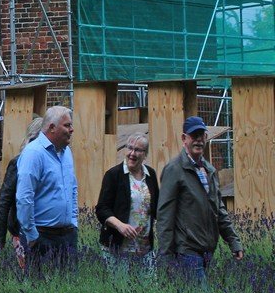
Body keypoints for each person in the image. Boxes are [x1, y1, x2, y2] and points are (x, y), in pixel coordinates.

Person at [157, 116, 243, 282]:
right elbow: (164, 216)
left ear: (206, 137)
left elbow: (219, 210)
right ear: (184, 138)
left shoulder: (209, 170)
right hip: (187, 251)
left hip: (208, 252)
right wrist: (165, 258)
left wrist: (234, 241)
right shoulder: (174, 169)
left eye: (201, 135)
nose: (198, 140)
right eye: (193, 135)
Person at [16, 106, 78, 265]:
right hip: (42, 236)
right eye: (67, 125)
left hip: (67, 236)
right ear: (52, 128)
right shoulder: (33, 154)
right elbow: (24, 197)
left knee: (69, 280)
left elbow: (72, 189)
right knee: (41, 280)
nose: (72, 129)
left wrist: (73, 222)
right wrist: (32, 235)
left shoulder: (66, 152)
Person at [96, 133, 158, 270]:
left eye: (138, 150)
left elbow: (156, 208)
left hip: (144, 248)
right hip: (117, 249)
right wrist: (120, 225)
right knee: (120, 284)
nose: (132, 153)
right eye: (129, 148)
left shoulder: (150, 175)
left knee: (149, 284)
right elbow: (102, 209)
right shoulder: (113, 175)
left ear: (145, 154)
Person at [0, 117, 44, 268]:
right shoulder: (18, 163)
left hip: (47, 229)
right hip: (22, 228)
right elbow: (4, 202)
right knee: (29, 271)